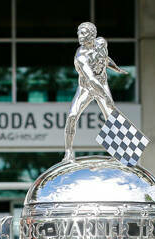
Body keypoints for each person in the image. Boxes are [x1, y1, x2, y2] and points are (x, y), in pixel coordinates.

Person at [62, 21, 129, 160]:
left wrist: (116, 68)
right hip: (86, 87)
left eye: (83, 33)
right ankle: (68, 152)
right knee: (72, 116)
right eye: (78, 33)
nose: (79, 36)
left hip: (102, 83)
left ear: (92, 34)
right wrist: (106, 97)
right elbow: (91, 79)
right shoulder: (80, 56)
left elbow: (104, 58)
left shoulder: (102, 42)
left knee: (111, 117)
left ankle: (118, 152)